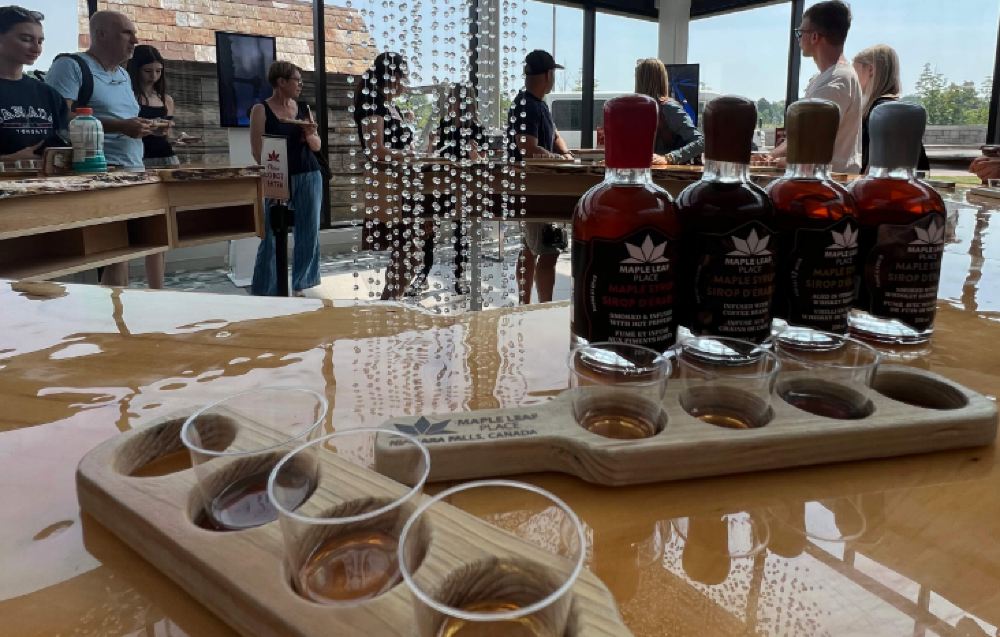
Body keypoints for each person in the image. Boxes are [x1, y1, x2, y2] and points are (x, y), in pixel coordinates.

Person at [46, 10, 157, 288]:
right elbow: (58, 117)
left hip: (133, 172)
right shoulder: (71, 66)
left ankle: (118, 310)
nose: (135, 40)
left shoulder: (123, 74)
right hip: (95, 174)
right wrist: (120, 126)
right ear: (101, 34)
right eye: (127, 33)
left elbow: (125, 118)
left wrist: (145, 127)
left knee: (123, 252)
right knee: (107, 252)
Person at [353, 51, 434, 300]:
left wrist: (418, 154)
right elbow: (375, 150)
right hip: (389, 186)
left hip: (403, 183)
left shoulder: (390, 105)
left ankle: (391, 303)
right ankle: (389, 303)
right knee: (409, 252)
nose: (405, 83)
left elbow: (394, 147)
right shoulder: (373, 102)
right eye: (403, 77)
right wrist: (408, 156)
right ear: (392, 76)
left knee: (408, 251)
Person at [249, 61, 323, 296]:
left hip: (309, 173)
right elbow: (257, 151)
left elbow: (317, 146)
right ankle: (266, 290)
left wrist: (310, 134)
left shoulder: (303, 108)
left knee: (308, 231)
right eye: (297, 80)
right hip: (277, 176)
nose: (300, 84)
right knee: (271, 234)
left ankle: (301, 284)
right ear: (281, 82)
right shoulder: (261, 109)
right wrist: (271, 177)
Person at [506, 49, 573, 305]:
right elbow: (528, 147)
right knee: (547, 250)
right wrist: (559, 160)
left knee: (529, 248)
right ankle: (543, 308)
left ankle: (525, 306)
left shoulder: (537, 104)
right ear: (547, 75)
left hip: (533, 188)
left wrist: (566, 154)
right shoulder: (527, 105)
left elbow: (554, 136)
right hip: (535, 188)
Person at [771, 0, 862, 174]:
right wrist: (771, 156)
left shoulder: (836, 81)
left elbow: (809, 145)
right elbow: (802, 136)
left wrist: (774, 161)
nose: (798, 38)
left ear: (814, 37)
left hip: (825, 182)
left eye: (800, 32)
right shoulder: (830, 78)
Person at [434, 81, 486, 295]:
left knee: (461, 230)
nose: (450, 102)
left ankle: (460, 275)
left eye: (453, 98)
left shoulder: (476, 128)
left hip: (465, 185)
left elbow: (483, 160)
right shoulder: (445, 124)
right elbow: (437, 153)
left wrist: (475, 156)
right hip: (444, 182)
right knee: (431, 227)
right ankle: (423, 273)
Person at [0, 6, 68, 161]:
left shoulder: (49, 95)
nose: (36, 48)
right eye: (26, 39)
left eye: (40, 41)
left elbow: (63, 144)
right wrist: (7, 160)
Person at [852, 44, 929, 173]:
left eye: (855, 72)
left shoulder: (879, 113)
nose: (854, 78)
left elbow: (873, 167)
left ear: (870, 70)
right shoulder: (896, 111)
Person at [634, 58, 704, 165]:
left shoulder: (668, 108)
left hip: (665, 173)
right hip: (642, 170)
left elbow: (701, 142)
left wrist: (670, 158)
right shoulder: (636, 110)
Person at [127, 44, 178, 169]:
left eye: (158, 71)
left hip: (167, 158)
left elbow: (167, 136)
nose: (154, 76)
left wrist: (177, 138)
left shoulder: (167, 100)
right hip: (137, 159)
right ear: (136, 69)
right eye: (148, 71)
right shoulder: (128, 97)